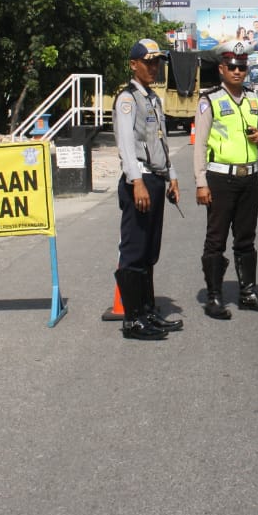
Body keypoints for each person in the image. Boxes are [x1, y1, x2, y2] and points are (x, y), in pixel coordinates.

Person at [193, 40, 258, 319]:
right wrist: (200, 181)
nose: (238, 71)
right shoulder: (210, 100)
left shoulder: (254, 99)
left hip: (249, 178)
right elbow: (199, 144)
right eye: (232, 66)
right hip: (220, 179)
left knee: (246, 238)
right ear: (221, 68)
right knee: (216, 239)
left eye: (242, 66)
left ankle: (248, 293)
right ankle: (214, 297)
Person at [113, 38, 183, 341]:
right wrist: (136, 181)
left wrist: (172, 176)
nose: (154, 67)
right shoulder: (127, 99)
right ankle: (133, 320)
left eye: (157, 63)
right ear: (133, 64)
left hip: (155, 179)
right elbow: (126, 143)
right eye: (148, 62)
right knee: (134, 251)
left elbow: (160, 141)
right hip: (139, 181)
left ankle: (147, 311)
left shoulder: (152, 99)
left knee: (149, 252)